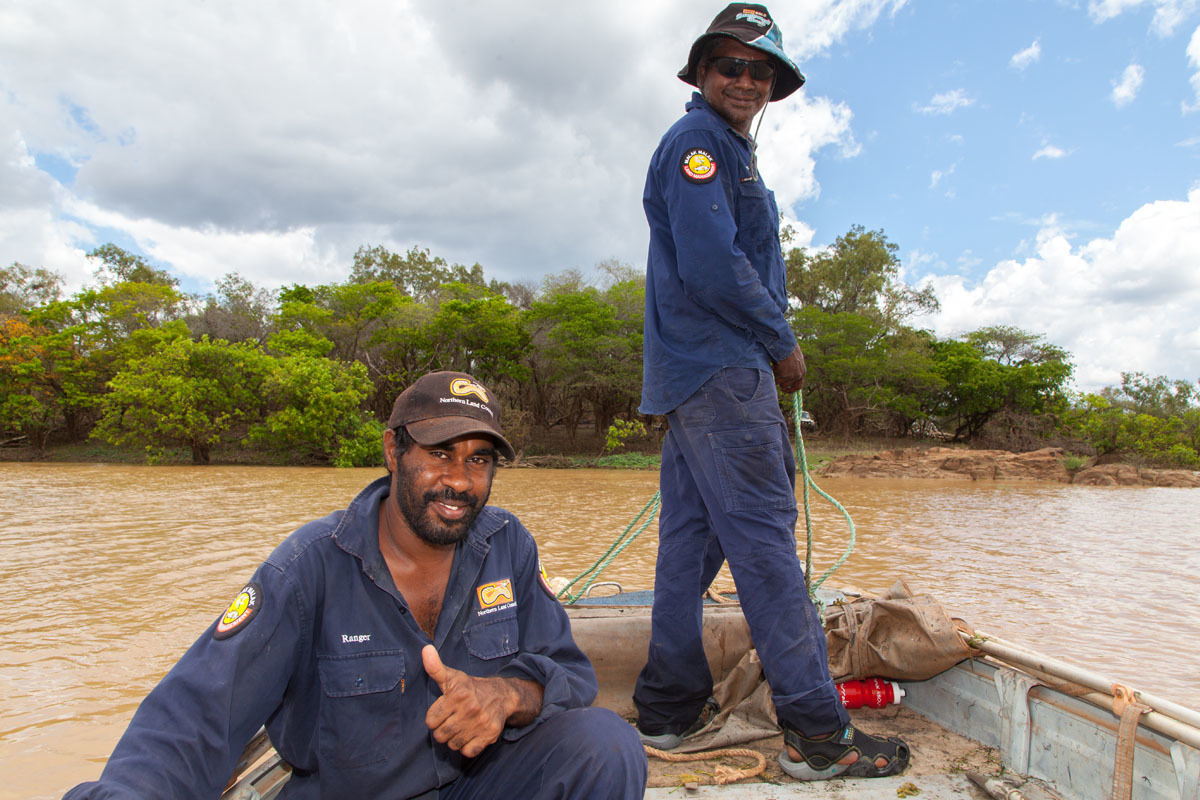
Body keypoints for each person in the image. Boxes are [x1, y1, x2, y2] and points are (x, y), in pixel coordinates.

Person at [65, 371, 647, 799]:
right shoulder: (306, 568)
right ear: (393, 450)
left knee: (605, 746)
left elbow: (568, 675)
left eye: (478, 461)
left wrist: (507, 695)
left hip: (476, 785)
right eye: (439, 454)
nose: (459, 481)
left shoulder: (507, 545)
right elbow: (193, 717)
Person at [633, 3, 910, 781]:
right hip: (724, 373)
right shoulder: (698, 144)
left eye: (761, 70)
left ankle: (670, 706)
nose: (746, 80)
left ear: (775, 84)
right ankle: (819, 735)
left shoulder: (724, 150)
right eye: (731, 66)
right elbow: (715, 266)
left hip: (693, 379)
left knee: (687, 549)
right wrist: (784, 345)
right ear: (702, 74)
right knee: (766, 549)